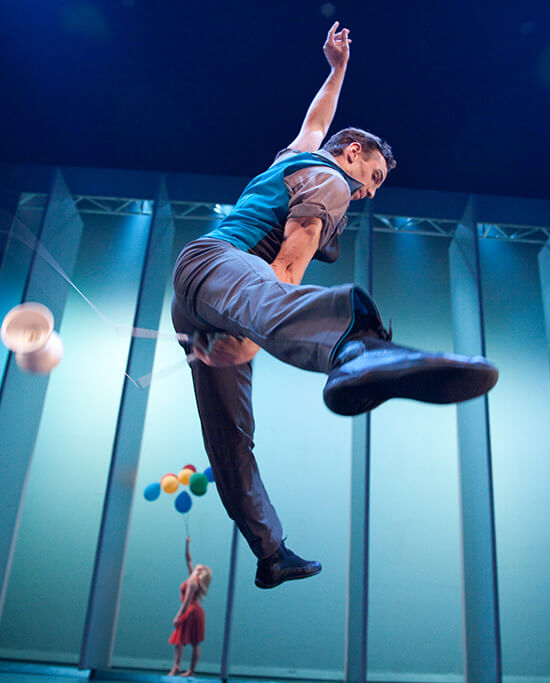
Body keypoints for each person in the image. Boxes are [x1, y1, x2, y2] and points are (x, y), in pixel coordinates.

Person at [170, 23, 498, 590]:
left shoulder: (297, 157)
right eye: (373, 176)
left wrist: (337, 69)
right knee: (271, 302)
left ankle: (270, 551)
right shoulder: (333, 183)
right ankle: (356, 347)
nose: (369, 191)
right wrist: (250, 339)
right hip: (222, 269)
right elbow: (286, 270)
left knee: (229, 435)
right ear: (353, 154)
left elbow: (316, 122)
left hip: (202, 302)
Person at [168, 536, 212, 677]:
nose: (196, 566)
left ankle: (181, 668)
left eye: (200, 568)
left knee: (187, 641)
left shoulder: (193, 581)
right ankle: (182, 668)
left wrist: (178, 616)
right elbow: (188, 560)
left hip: (191, 611)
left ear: (200, 572)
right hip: (194, 611)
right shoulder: (193, 578)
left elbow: (186, 601)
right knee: (188, 641)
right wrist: (187, 544)